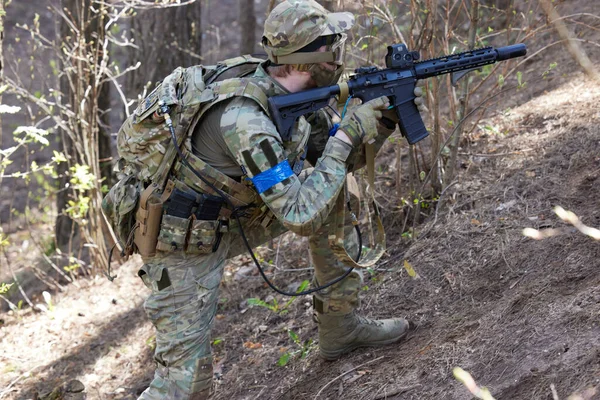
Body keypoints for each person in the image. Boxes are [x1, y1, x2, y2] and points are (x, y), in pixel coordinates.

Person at [135, 1, 422, 398]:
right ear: (309, 60)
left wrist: (384, 120)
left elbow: (335, 165)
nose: (340, 58)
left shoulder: (294, 93)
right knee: (184, 386)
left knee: (329, 188)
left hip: (242, 211)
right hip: (185, 240)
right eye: (334, 49)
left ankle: (340, 326)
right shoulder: (244, 120)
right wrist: (346, 135)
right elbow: (300, 215)